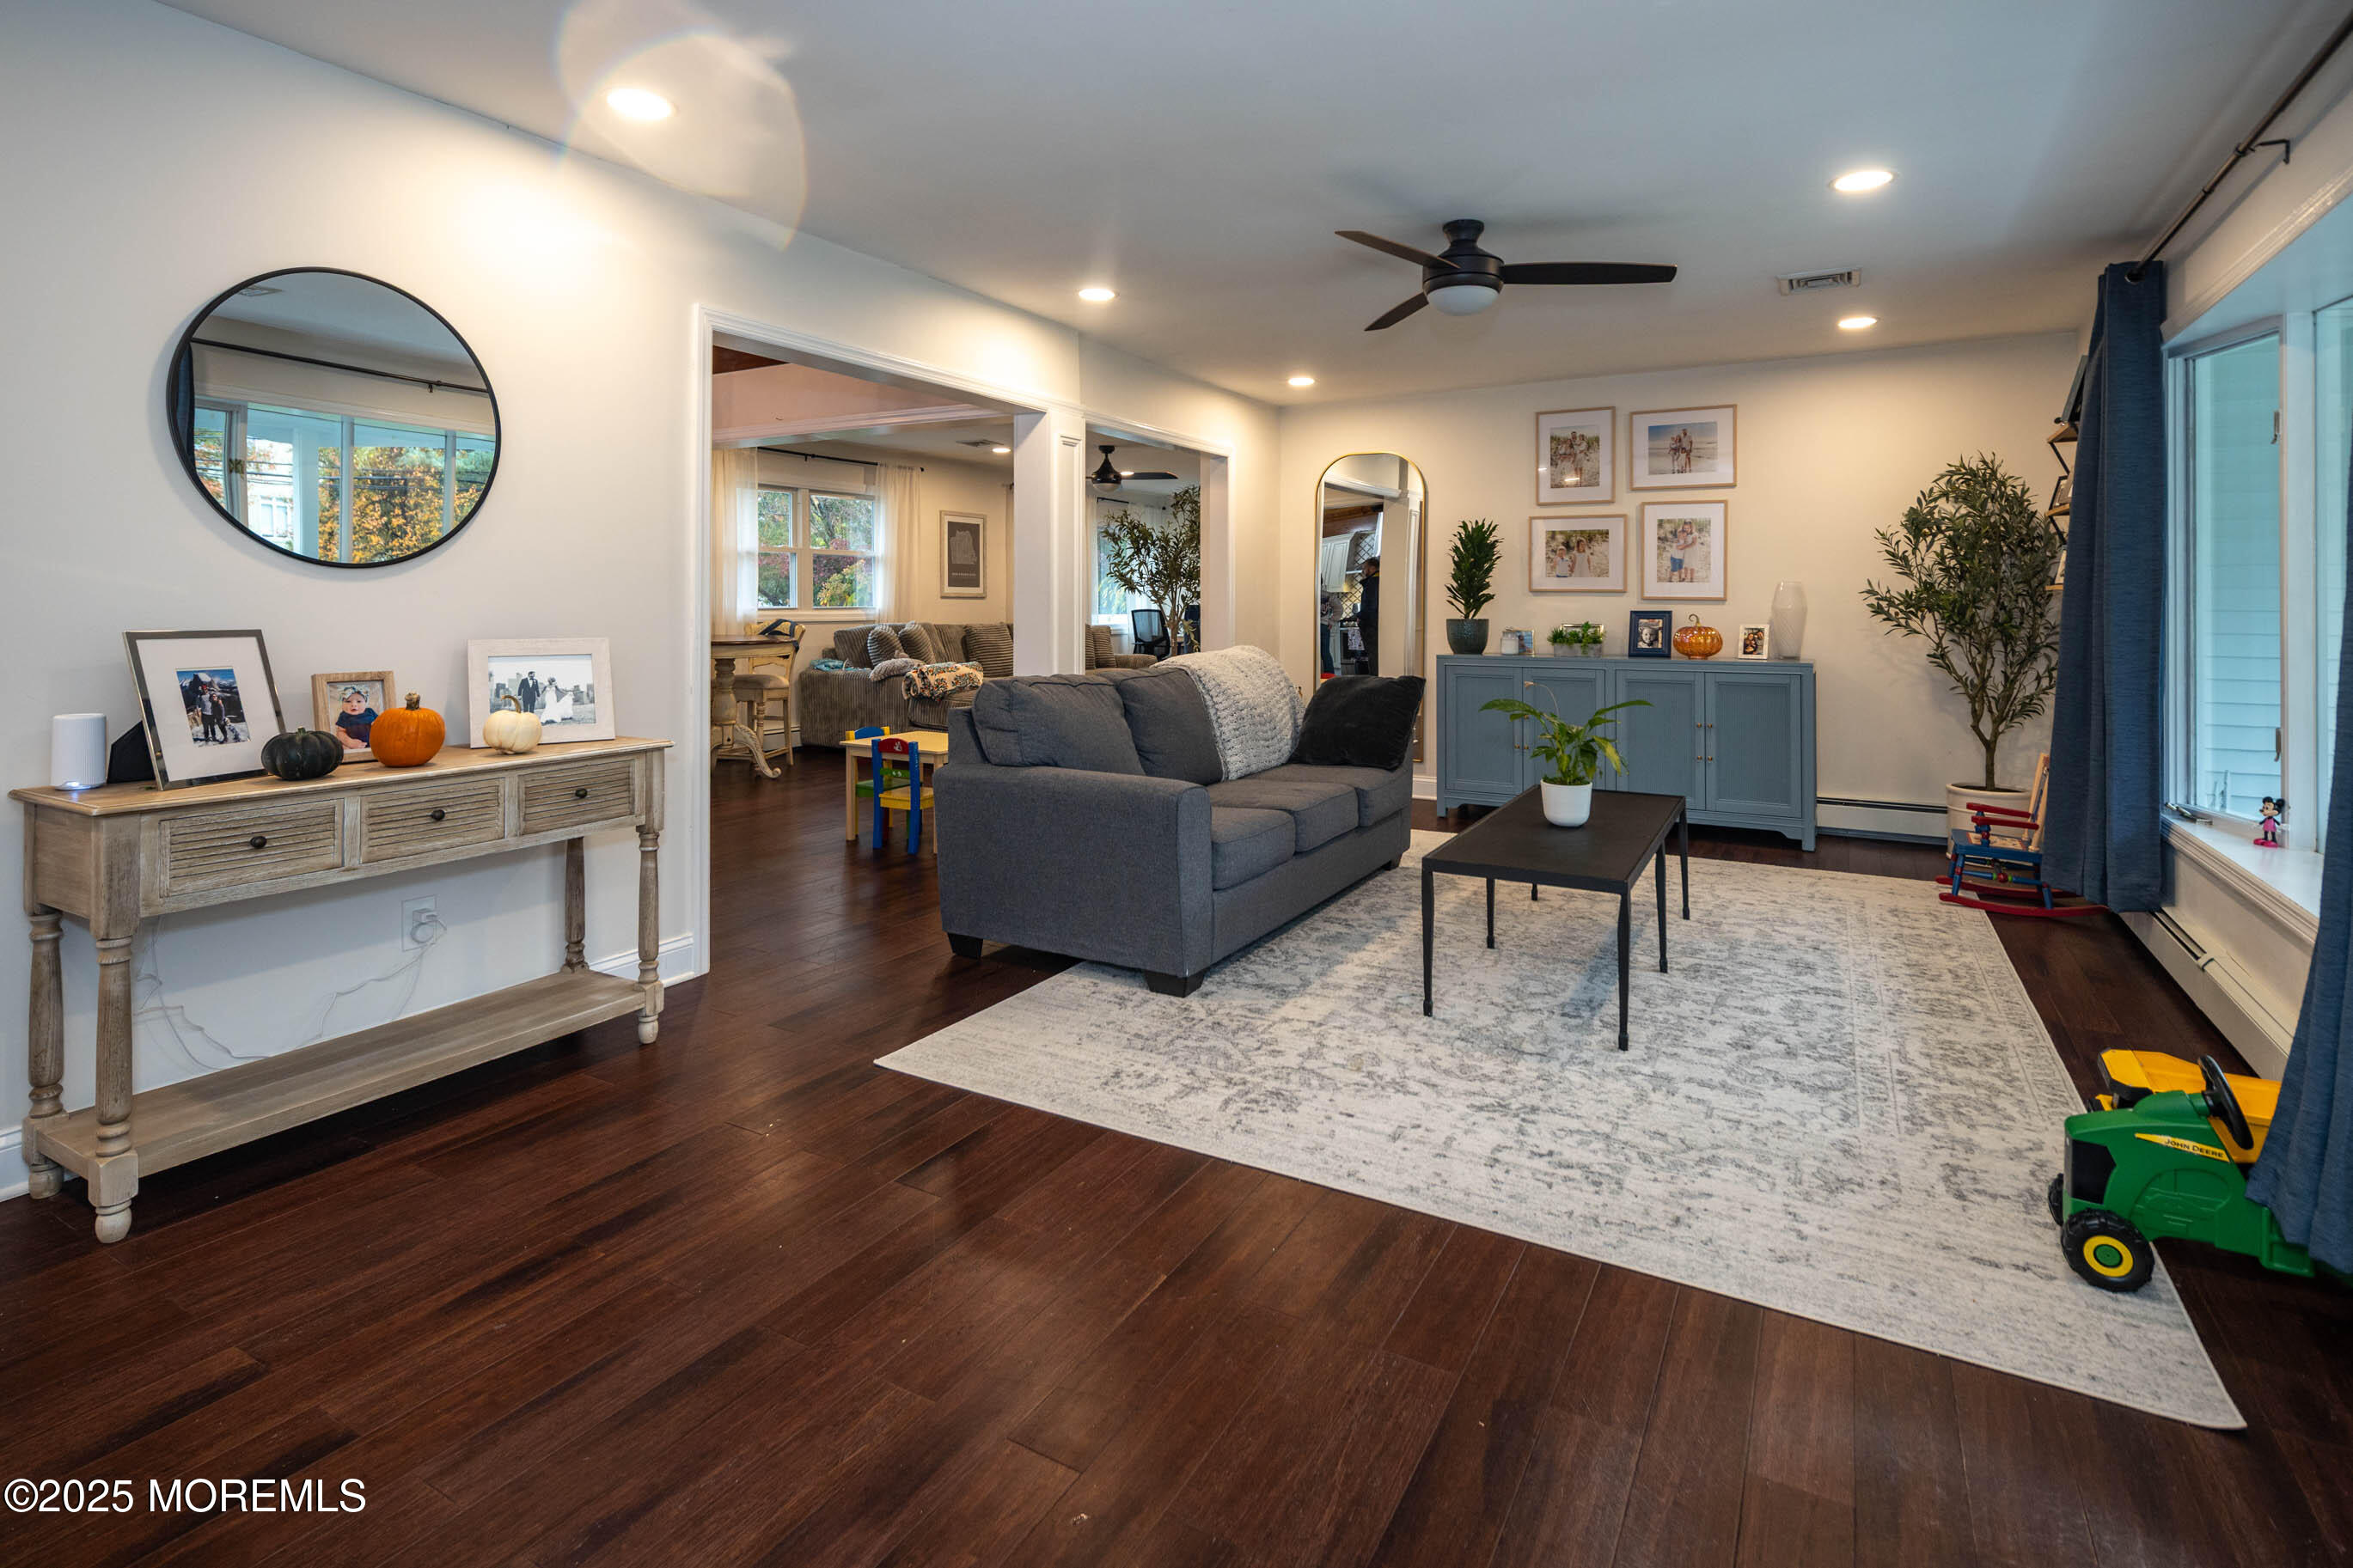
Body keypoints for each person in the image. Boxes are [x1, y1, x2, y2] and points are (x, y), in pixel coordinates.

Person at [1356, 557, 1380, 676]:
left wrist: (1359, 616)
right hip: (1375, 624)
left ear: (1372, 568)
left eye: (1364, 568)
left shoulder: (1372, 583)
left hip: (1371, 626)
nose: (1363, 571)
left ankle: (1375, 680)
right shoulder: (1379, 581)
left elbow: (1370, 606)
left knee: (1373, 655)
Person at [334, 686, 378, 750]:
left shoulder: (370, 712)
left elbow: (381, 722)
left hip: (374, 746)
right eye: (348, 701)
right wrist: (349, 742)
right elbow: (340, 733)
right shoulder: (344, 716)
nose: (354, 704)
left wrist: (376, 724)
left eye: (359, 701)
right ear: (342, 704)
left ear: (365, 703)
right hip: (354, 748)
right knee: (342, 747)